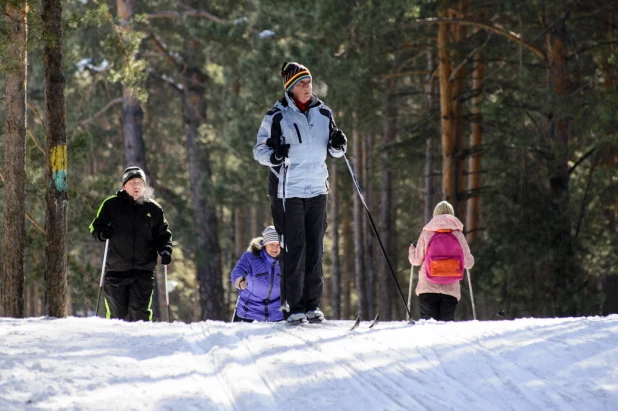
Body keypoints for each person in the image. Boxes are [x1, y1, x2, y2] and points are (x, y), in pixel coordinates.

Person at [253, 62, 347, 323]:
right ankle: (293, 307)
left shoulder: (324, 113)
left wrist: (340, 144)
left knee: (315, 248)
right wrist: (275, 154)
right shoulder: (277, 116)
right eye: (302, 84)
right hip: (288, 191)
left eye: (310, 82)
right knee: (295, 248)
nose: (308, 87)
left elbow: (335, 149)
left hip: (317, 189)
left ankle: (311, 305)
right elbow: (259, 151)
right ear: (291, 88)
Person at [89, 166, 173, 322]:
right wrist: (101, 233)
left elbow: (163, 235)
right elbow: (95, 228)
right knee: (118, 317)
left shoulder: (153, 209)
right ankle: (116, 345)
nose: (136, 186)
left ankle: (141, 345)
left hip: (143, 271)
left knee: (140, 314)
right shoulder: (111, 205)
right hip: (116, 271)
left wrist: (165, 250)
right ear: (124, 186)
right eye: (132, 182)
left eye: (140, 183)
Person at [408, 201, 474, 321]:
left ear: (435, 214)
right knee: (446, 329)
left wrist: (412, 249)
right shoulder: (458, 234)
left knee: (428, 327)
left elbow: (416, 260)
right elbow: (468, 263)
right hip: (450, 290)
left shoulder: (427, 232)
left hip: (427, 288)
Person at [231, 226, 284, 322]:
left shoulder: (285, 262)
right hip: (248, 314)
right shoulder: (250, 257)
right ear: (265, 244)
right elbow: (238, 270)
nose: (275, 248)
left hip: (276, 316)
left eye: (278, 244)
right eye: (271, 244)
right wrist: (239, 281)